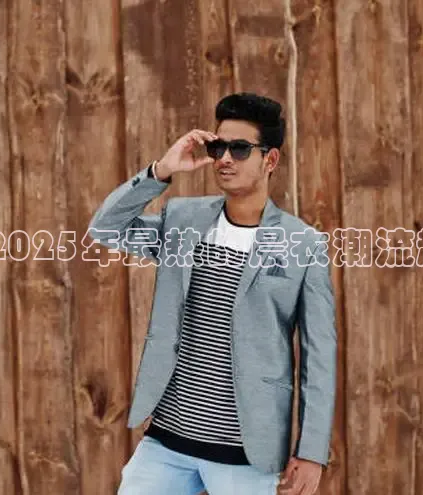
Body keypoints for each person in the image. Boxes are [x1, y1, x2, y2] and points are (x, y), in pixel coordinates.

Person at [88, 92, 337, 495]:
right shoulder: (182, 219)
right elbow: (105, 228)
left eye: (239, 149)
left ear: (270, 160)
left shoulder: (302, 244)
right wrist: (161, 170)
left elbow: (319, 355)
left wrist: (311, 451)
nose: (224, 159)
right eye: (218, 147)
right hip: (166, 442)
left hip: (246, 454)